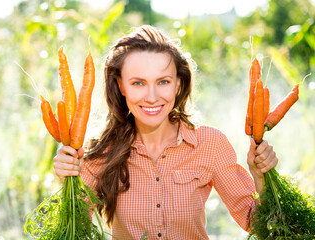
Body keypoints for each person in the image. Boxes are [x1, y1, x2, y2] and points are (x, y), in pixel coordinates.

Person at [53, 25, 278, 240]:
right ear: (121, 86)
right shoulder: (100, 151)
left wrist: (260, 178)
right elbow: (74, 229)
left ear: (178, 84)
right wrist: (68, 182)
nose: (152, 97)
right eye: (138, 83)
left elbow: (257, 223)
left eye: (163, 81)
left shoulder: (210, 144)